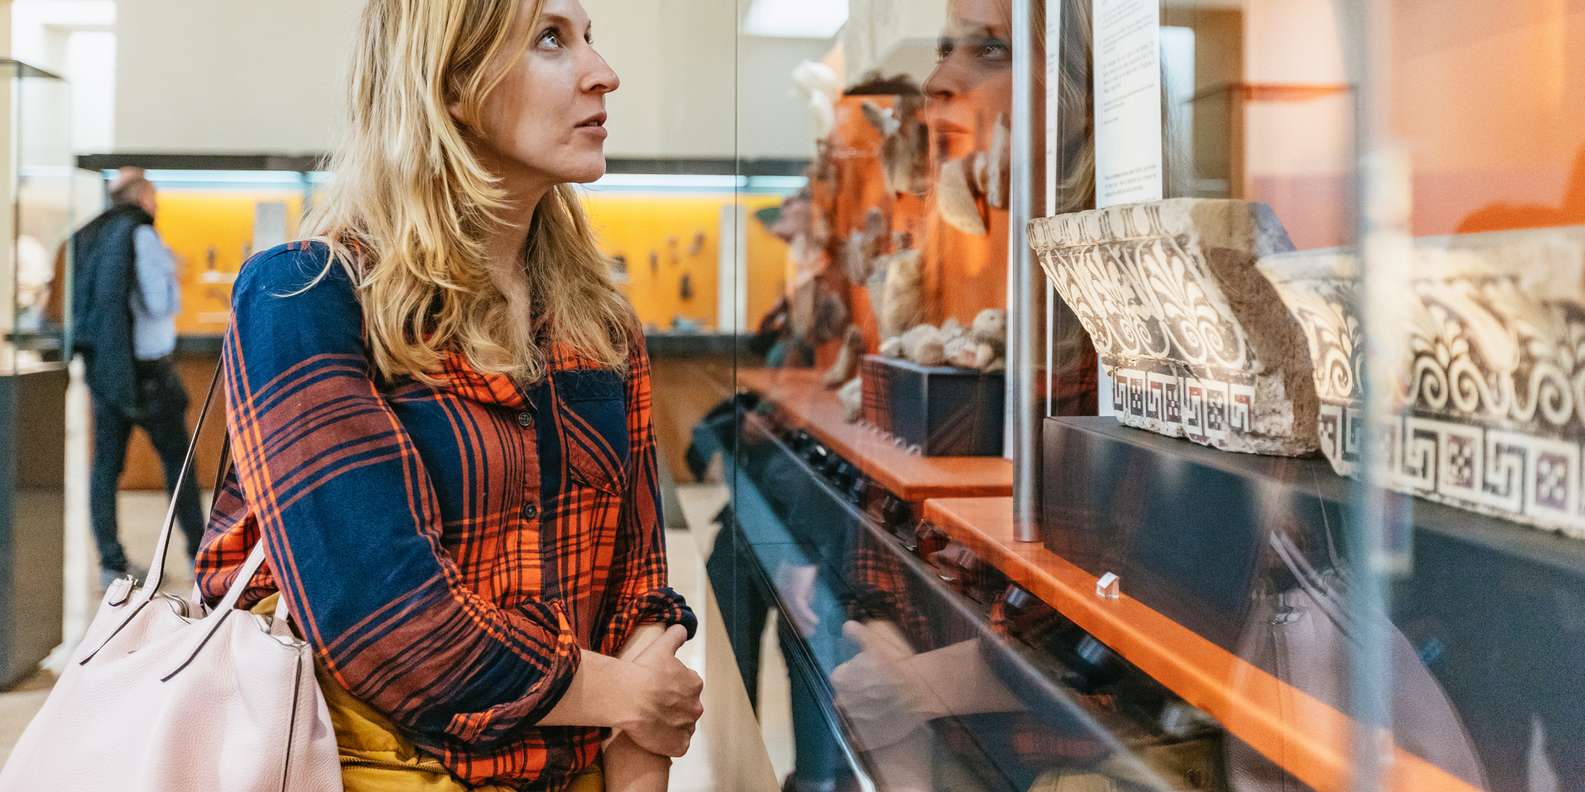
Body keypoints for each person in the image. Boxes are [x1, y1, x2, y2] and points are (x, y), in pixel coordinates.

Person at [193, 1, 702, 790]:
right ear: (452, 83)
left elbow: (637, 584)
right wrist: (627, 695)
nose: (603, 74)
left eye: (588, 38)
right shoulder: (307, 296)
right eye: (550, 39)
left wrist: (640, 744)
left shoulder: (601, 325)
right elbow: (387, 624)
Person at [71, 170, 207, 589]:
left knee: (105, 468)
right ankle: (201, 557)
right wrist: (170, 271)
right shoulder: (142, 235)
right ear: (143, 198)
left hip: (107, 370)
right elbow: (158, 302)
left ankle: (111, 563)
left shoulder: (95, 234)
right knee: (179, 465)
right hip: (148, 372)